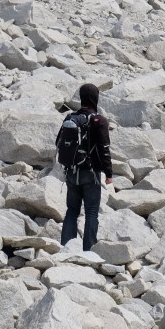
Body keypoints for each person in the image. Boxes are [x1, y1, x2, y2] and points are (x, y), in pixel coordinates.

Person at [58, 83, 112, 252]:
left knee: (71, 211)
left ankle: (66, 248)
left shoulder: (70, 118)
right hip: (91, 173)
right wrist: (109, 174)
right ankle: (89, 251)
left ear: (81, 98)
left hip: (71, 172)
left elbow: (59, 142)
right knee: (92, 213)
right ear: (95, 98)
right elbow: (104, 149)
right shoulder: (99, 120)